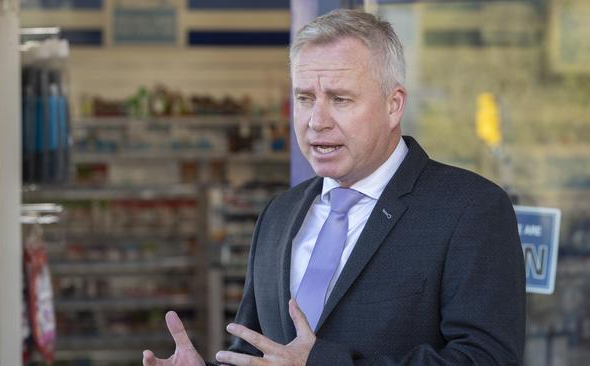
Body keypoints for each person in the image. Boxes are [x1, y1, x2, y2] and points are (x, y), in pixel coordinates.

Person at [143, 8, 525, 366]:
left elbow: (487, 358)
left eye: (340, 99)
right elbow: (262, 353)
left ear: (394, 106)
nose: (316, 121)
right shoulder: (278, 214)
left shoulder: (470, 209)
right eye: (304, 98)